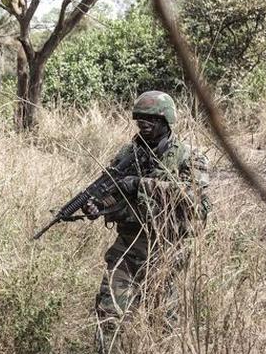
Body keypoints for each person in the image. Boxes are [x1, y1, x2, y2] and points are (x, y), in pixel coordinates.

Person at [82, 91, 211, 353]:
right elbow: (112, 191)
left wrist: (141, 184)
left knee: (162, 323)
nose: (145, 125)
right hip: (127, 248)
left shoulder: (188, 156)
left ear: (166, 121)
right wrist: (98, 206)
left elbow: (193, 199)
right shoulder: (127, 154)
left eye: (151, 119)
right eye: (140, 119)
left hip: (165, 250)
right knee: (109, 314)